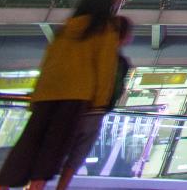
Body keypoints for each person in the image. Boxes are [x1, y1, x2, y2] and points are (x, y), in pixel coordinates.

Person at [0, 0, 123, 189]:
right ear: (107, 2)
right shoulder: (105, 28)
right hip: (76, 95)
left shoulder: (68, 25)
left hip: (47, 93)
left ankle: (3, 185)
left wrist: (36, 94)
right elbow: (105, 67)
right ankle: (36, 185)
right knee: (54, 146)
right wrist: (99, 102)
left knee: (29, 143)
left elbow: (49, 61)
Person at [56, 16, 133, 190]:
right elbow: (115, 88)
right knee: (76, 156)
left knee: (56, 151)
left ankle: (37, 185)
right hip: (95, 111)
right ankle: (60, 187)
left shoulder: (86, 51)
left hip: (72, 108)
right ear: (125, 36)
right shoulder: (118, 61)